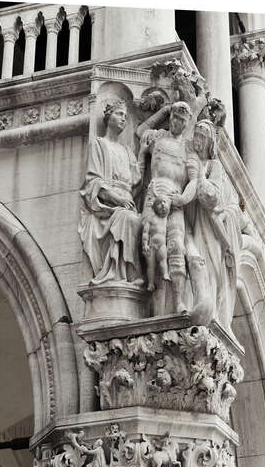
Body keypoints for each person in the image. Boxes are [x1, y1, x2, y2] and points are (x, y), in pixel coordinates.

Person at [137, 101, 197, 314]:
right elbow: (140, 131)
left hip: (175, 201)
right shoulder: (158, 136)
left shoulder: (188, 148)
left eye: (181, 120)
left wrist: (181, 199)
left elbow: (194, 180)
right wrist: (163, 110)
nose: (176, 122)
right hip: (154, 194)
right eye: (173, 117)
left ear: (187, 123)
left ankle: (179, 301)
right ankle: (152, 297)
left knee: (176, 247)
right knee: (150, 244)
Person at [78, 99, 143, 285]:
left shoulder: (127, 151)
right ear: (108, 117)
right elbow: (93, 182)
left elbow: (136, 183)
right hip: (108, 206)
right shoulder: (99, 145)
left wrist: (145, 153)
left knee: (140, 221)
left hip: (127, 202)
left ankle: (129, 272)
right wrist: (116, 198)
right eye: (119, 114)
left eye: (125, 115)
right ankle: (124, 273)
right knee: (128, 219)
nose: (123, 118)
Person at [188, 119, 243, 331]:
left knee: (209, 265)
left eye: (202, 136)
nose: (198, 139)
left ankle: (209, 314)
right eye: (196, 134)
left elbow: (213, 197)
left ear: (210, 141)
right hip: (191, 219)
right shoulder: (190, 161)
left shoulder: (214, 165)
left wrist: (200, 175)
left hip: (208, 226)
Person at [142, 193, 171, 291]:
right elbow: (145, 232)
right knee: (151, 266)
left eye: (164, 202)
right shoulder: (151, 219)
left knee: (163, 259)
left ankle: (165, 274)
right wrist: (144, 244)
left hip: (162, 245)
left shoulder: (166, 219)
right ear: (154, 207)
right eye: (159, 203)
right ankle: (150, 283)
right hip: (151, 245)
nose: (162, 204)